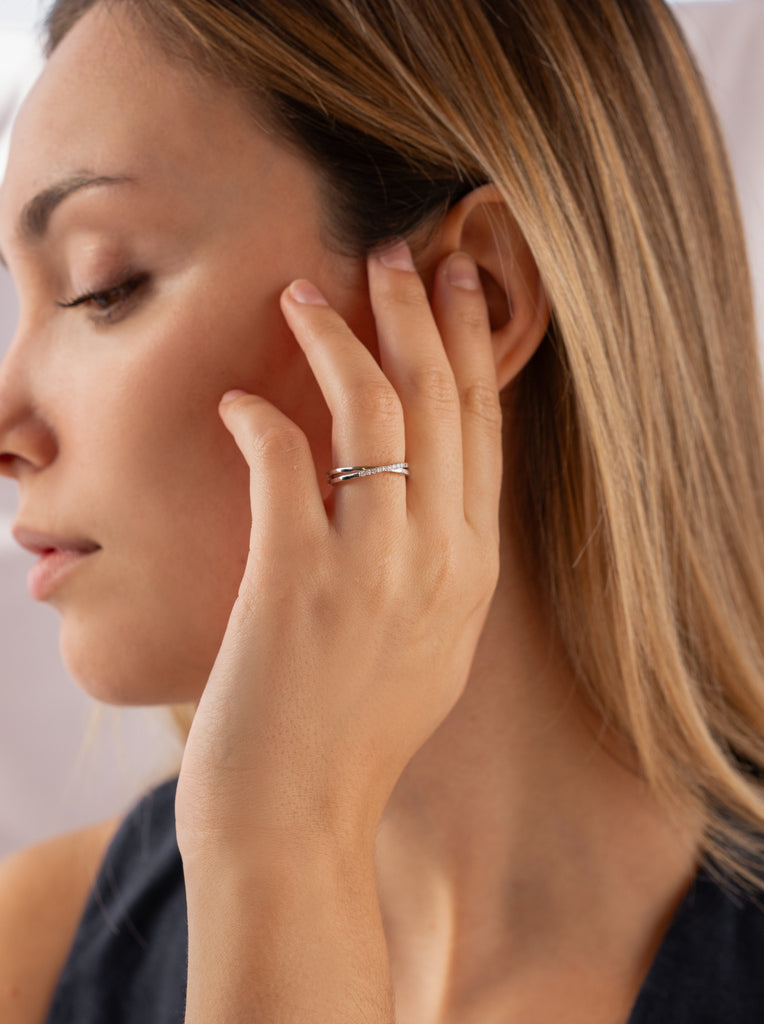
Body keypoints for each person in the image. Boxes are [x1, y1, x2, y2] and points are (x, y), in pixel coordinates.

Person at [0, 0, 763, 1021]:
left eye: (104, 285)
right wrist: (279, 855)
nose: (9, 420)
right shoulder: (30, 952)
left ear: (478, 294)